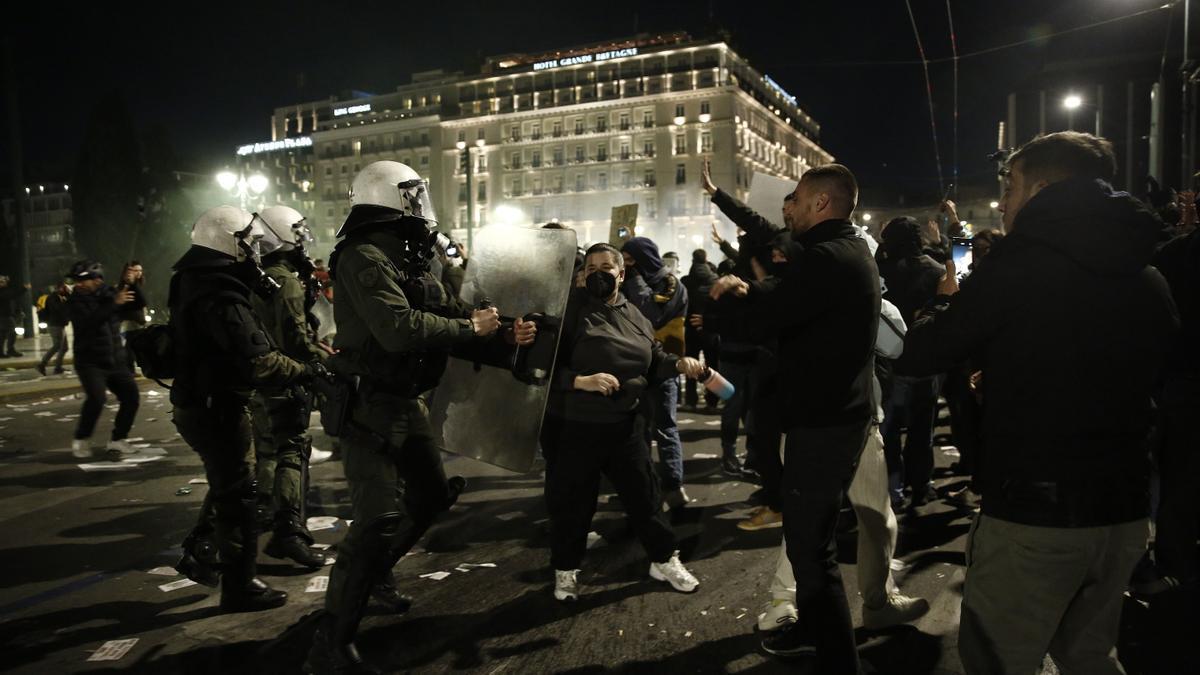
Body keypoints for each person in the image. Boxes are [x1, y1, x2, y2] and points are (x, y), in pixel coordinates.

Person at [901, 132, 1179, 673]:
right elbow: (1155, 372)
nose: (1002, 202)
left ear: (1045, 187)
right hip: (1122, 511)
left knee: (998, 658)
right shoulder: (1147, 271)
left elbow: (924, 352)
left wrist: (942, 307)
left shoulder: (1017, 266)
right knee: (1088, 655)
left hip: (1036, 511)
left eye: (1011, 186)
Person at [304, 161, 536, 673]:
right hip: (369, 405)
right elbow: (397, 329)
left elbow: (453, 314)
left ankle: (372, 578)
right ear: (391, 198)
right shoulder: (362, 257)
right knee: (376, 520)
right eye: (413, 194)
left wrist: (505, 334)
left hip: (405, 400)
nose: (421, 203)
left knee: (430, 497)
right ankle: (329, 642)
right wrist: (472, 330)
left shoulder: (410, 261)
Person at [711, 163, 879, 672]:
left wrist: (726, 301)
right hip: (834, 414)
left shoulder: (829, 257)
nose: (791, 210)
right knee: (811, 543)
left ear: (821, 204)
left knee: (811, 553)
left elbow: (768, 316)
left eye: (799, 202)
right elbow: (790, 295)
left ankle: (836, 660)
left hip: (824, 422)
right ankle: (813, 630)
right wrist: (753, 289)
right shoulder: (844, 251)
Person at [170, 205, 323, 612]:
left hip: (203, 400)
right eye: (249, 244)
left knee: (234, 486)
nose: (257, 251)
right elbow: (259, 358)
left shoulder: (194, 281)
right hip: (218, 403)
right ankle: (236, 583)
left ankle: (210, 557)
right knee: (239, 493)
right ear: (227, 242)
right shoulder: (221, 294)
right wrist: (309, 370)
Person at [758, 279, 929, 635]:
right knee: (806, 522)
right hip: (807, 424)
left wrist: (869, 299)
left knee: (878, 519)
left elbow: (895, 345)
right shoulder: (802, 290)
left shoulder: (873, 301)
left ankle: (879, 600)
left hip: (861, 424)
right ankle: (783, 603)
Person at [544, 242, 703, 603]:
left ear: (622, 273)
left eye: (605, 267)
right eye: (590, 267)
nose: (597, 273)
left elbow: (654, 357)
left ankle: (663, 559)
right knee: (575, 505)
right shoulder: (568, 312)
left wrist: (678, 363)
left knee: (645, 499)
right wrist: (579, 382)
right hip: (577, 425)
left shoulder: (635, 314)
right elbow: (541, 367)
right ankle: (565, 570)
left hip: (626, 425)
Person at [248, 205, 332, 570]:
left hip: (258, 380)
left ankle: (258, 521)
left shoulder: (257, 276)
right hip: (284, 379)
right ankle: (288, 532)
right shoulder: (286, 280)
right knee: (292, 452)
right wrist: (324, 361)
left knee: (267, 453)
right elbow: (295, 339)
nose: (302, 241)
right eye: (298, 234)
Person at [875, 216, 946, 508]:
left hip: (891, 362)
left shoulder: (884, 271)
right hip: (927, 363)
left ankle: (893, 489)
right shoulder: (937, 271)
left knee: (889, 432)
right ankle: (922, 485)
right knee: (922, 430)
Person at [620, 236, 690, 508]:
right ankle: (645, 486)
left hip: (662, 366)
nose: (626, 266)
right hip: (635, 367)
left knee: (664, 427)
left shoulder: (672, 285)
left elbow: (650, 314)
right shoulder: (628, 283)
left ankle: (673, 487)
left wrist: (635, 281)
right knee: (638, 431)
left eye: (630, 260)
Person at [65, 261, 142, 461]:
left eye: (83, 280)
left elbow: (138, 304)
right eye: (76, 280)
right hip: (90, 361)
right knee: (97, 399)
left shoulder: (110, 293)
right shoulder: (75, 301)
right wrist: (114, 303)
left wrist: (132, 283)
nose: (78, 284)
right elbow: (89, 323)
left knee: (131, 397)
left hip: (115, 360)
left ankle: (118, 439)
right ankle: (82, 438)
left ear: (97, 279)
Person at [680, 249, 720, 410]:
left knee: (691, 365)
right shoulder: (715, 280)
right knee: (712, 365)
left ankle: (691, 400)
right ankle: (712, 401)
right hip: (710, 327)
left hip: (691, 327)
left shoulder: (686, 281)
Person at [115, 261, 148, 374]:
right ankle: (129, 369)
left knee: (132, 345)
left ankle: (130, 369)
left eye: (140, 270)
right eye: (135, 270)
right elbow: (142, 302)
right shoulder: (129, 285)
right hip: (130, 320)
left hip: (135, 320)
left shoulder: (135, 285)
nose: (138, 273)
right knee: (131, 345)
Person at [37, 282, 71, 376]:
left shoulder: (60, 297)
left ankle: (58, 367)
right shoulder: (53, 298)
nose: (66, 291)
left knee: (64, 348)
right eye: (64, 289)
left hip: (59, 325)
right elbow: (59, 309)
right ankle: (42, 364)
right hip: (55, 325)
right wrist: (67, 299)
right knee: (57, 345)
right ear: (59, 289)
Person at [0, 275, 25, 357]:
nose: (4, 283)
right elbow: (12, 294)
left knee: (2, 334)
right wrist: (23, 289)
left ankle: (1, 352)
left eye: (4, 281)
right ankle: (10, 350)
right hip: (5, 316)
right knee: (12, 332)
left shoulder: (4, 290)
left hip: (5, 315)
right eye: (2, 282)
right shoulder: (3, 291)